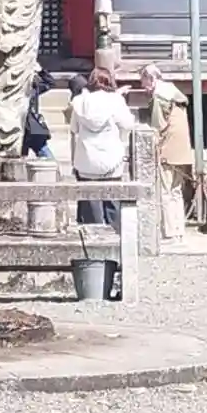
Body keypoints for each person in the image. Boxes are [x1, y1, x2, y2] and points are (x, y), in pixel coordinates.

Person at [69, 66, 137, 301]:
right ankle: (114, 271)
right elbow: (128, 124)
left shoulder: (79, 102)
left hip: (86, 164)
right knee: (114, 215)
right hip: (111, 164)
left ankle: (93, 271)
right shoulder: (114, 101)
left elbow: (74, 129)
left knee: (90, 216)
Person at [139, 65, 193, 241]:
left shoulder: (159, 97)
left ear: (151, 79)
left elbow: (158, 127)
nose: (143, 87)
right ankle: (179, 230)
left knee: (166, 191)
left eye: (144, 82)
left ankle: (169, 233)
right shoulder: (174, 93)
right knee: (176, 191)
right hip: (183, 148)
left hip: (168, 149)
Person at [23, 69, 54, 159]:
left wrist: (41, 71)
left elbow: (50, 83)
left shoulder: (33, 88)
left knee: (45, 153)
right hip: (21, 126)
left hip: (32, 126)